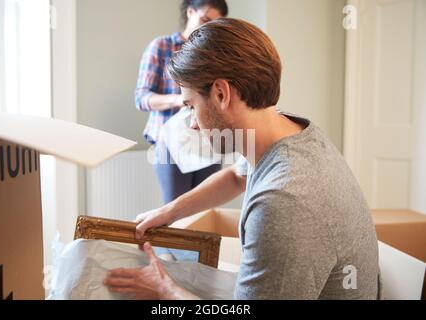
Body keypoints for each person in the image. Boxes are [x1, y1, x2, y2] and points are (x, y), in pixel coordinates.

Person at [107, 18, 382, 300]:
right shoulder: (285, 129)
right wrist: (170, 211)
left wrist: (165, 291)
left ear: (221, 94)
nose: (191, 124)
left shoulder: (284, 200)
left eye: (190, 106)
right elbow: (237, 176)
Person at [135, 0, 228, 205]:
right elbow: (141, 98)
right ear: (190, 12)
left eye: (214, 24)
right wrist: (180, 100)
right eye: (205, 20)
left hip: (206, 141)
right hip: (170, 143)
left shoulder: (215, 57)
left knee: (205, 211)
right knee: (175, 211)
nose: (207, 28)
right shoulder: (161, 47)